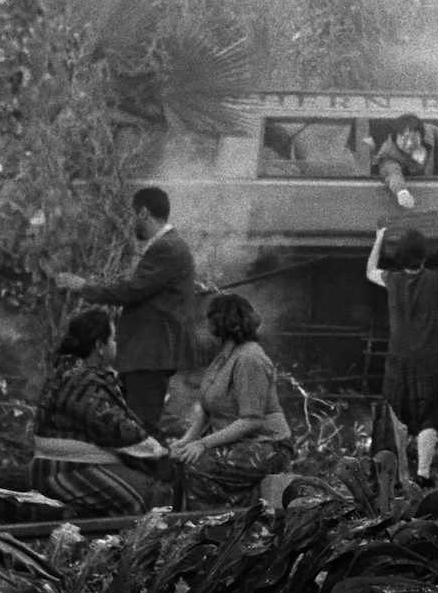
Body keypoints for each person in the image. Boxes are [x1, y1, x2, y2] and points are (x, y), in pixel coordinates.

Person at [56, 187, 198, 435]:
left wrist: (84, 287)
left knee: (141, 428)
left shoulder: (167, 247)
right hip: (147, 353)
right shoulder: (167, 246)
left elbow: (133, 290)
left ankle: (149, 460)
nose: (131, 222)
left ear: (143, 213)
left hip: (149, 353)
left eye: (133, 214)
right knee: (135, 424)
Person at [31, 309, 170, 517]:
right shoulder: (81, 378)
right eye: (112, 339)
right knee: (151, 494)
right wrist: (160, 451)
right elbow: (115, 426)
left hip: (68, 465)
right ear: (99, 346)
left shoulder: (71, 372)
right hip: (64, 471)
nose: (115, 344)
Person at [170, 294, 294, 508]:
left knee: (198, 466)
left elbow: (251, 420)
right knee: (182, 460)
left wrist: (203, 444)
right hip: (240, 442)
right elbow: (207, 412)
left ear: (220, 323)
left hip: (268, 445)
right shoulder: (224, 358)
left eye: (209, 320)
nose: (205, 326)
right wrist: (186, 442)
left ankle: (218, 521)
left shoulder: (250, 358)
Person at [366, 226, 438, 487]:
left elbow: (369, 271)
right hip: (428, 357)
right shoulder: (434, 277)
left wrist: (379, 239)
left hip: (398, 357)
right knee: (428, 416)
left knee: (397, 416)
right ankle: (423, 474)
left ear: (399, 257)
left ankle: (400, 475)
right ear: (424, 256)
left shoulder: (391, 279)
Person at [376, 113, 438, 209]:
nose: (409, 144)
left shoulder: (427, 131)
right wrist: (402, 193)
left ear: (421, 136)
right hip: (412, 190)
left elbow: (435, 131)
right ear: (395, 138)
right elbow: (394, 174)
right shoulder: (387, 155)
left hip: (430, 183)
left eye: (414, 138)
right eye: (404, 139)